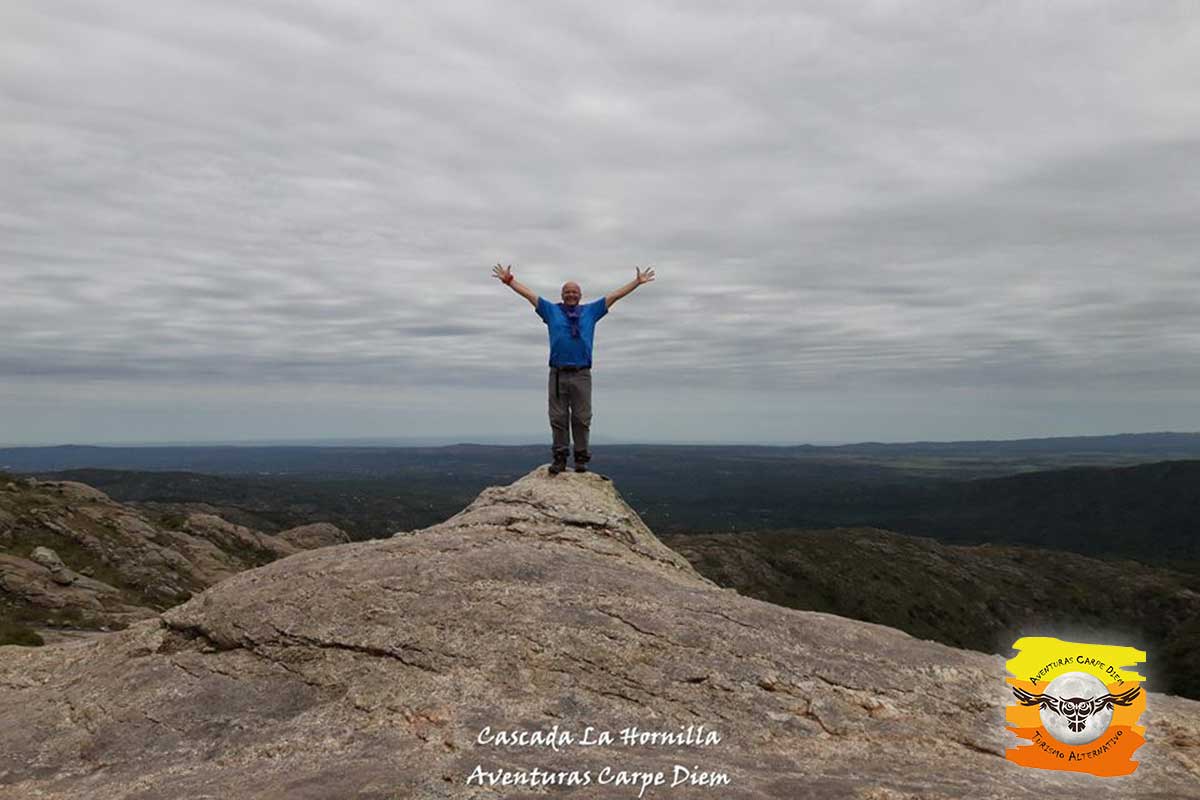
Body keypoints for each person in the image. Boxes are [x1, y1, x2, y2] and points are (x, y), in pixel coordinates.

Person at [492, 263, 656, 474]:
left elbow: (614, 296)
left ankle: (581, 459)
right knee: (558, 418)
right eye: (567, 292)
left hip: (582, 374)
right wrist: (509, 281)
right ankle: (560, 458)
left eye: (574, 292)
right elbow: (529, 295)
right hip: (558, 373)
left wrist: (637, 282)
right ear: (562, 295)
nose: (571, 295)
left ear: (580, 295)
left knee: (582, 417)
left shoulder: (591, 311)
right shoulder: (551, 311)